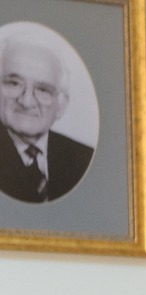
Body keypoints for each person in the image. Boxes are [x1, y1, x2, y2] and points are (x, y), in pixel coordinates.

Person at [0, 35, 93, 204]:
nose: (26, 101)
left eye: (43, 89)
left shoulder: (84, 158)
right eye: (14, 83)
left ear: (61, 105)